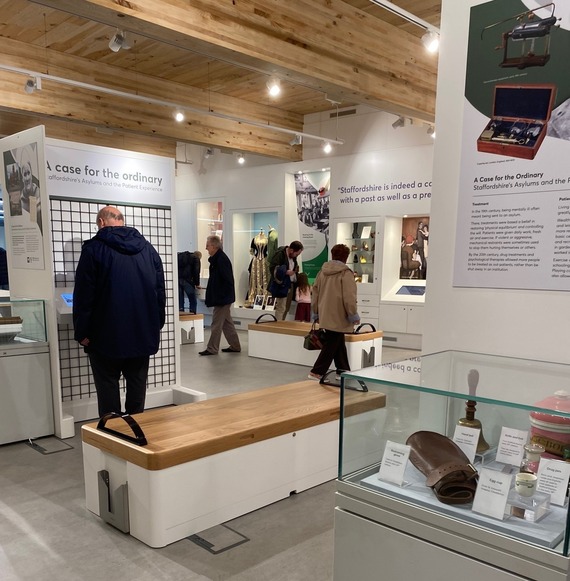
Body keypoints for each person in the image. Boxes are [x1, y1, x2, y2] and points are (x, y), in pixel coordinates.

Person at [73, 206, 166, 417]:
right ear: (122, 221)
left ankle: (112, 435)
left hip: (104, 334)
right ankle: (137, 431)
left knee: (107, 389)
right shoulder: (148, 249)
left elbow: (84, 295)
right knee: (137, 386)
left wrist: (82, 332)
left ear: (101, 222)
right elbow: (159, 291)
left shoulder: (93, 250)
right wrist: (156, 323)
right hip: (142, 331)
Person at [308, 244, 360, 381]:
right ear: (346, 257)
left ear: (332, 255)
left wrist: (316, 312)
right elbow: (349, 297)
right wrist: (353, 315)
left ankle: (343, 370)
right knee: (332, 342)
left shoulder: (322, 272)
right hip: (340, 315)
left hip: (325, 313)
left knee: (337, 340)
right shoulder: (346, 273)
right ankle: (316, 372)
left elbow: (315, 294)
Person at [199, 235, 241, 355]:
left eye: (207, 246)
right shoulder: (217, 260)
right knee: (227, 323)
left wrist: (221, 296)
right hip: (223, 297)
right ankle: (235, 345)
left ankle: (212, 348)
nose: (206, 248)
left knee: (216, 323)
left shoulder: (221, 260)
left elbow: (227, 280)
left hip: (222, 298)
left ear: (214, 246)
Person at [268, 240, 303, 320]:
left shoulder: (293, 257)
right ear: (291, 250)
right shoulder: (280, 254)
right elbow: (272, 268)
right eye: (297, 254)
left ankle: (281, 323)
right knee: (281, 307)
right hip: (282, 284)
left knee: (286, 307)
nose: (296, 256)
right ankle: (278, 326)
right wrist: (286, 272)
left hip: (289, 284)